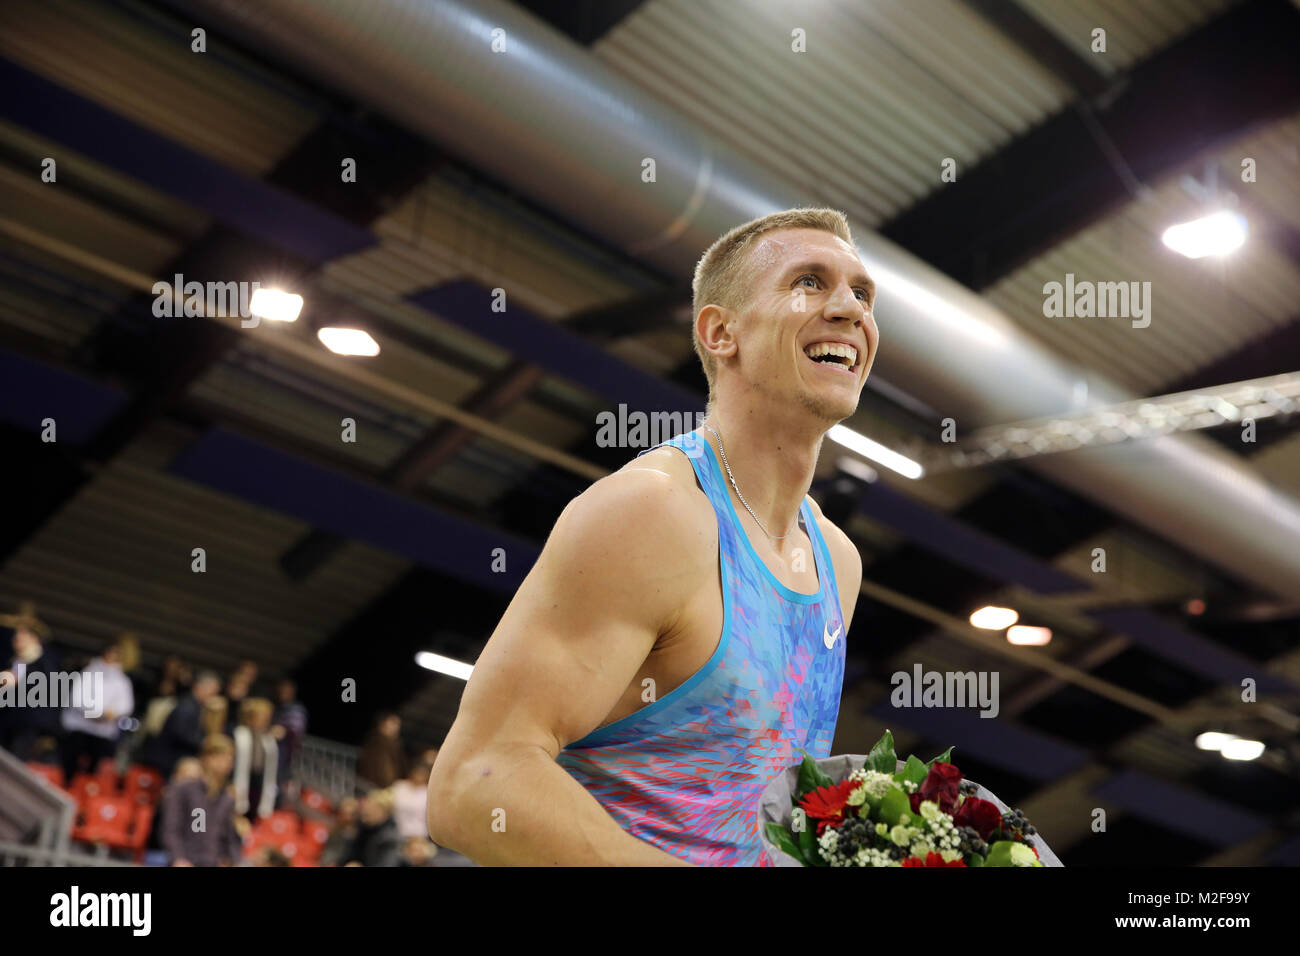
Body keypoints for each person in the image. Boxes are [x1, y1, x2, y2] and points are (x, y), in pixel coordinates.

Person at [427, 208, 871, 866]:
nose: (848, 308)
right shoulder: (655, 513)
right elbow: (474, 783)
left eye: (862, 293)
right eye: (809, 281)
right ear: (721, 332)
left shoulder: (838, 561)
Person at [60, 633, 137, 779]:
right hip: (79, 729)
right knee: (71, 768)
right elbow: (77, 699)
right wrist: (98, 712)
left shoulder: (122, 680)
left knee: (93, 773)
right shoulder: (89, 672)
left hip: (103, 734)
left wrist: (113, 713)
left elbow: (126, 705)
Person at [161, 734, 243, 867]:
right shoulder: (183, 789)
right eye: (221, 757)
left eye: (230, 759)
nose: (226, 763)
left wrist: (231, 860)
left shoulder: (227, 798)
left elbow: (229, 838)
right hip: (187, 861)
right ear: (206, 758)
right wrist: (178, 858)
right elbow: (171, 828)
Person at [0, 603, 63, 761]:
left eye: (23, 635)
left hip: (28, 727)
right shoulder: (12, 660)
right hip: (7, 722)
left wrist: (18, 683)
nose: (17, 639)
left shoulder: (46, 662)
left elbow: (46, 690)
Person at [147, 670, 221, 778]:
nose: (214, 696)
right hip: (170, 760)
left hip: (173, 758)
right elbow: (179, 732)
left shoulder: (196, 706)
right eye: (213, 691)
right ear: (201, 687)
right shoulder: (187, 706)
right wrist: (204, 742)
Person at [231, 697, 278, 820]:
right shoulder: (239, 734)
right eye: (260, 716)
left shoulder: (269, 738)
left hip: (260, 780)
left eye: (266, 717)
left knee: (255, 812)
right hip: (239, 778)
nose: (264, 720)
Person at [345, 789, 400, 867]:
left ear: (384, 811)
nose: (366, 810)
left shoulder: (389, 838)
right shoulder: (362, 830)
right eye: (366, 806)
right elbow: (348, 857)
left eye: (372, 807)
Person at [356, 712, 404, 790]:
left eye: (398, 724)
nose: (396, 727)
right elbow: (370, 767)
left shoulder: (396, 747)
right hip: (371, 786)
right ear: (382, 725)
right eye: (393, 723)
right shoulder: (373, 743)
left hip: (387, 788)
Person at [390, 759, 431, 841]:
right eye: (418, 773)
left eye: (423, 774)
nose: (419, 776)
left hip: (421, 836)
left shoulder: (428, 791)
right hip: (397, 832)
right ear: (412, 772)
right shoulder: (399, 786)